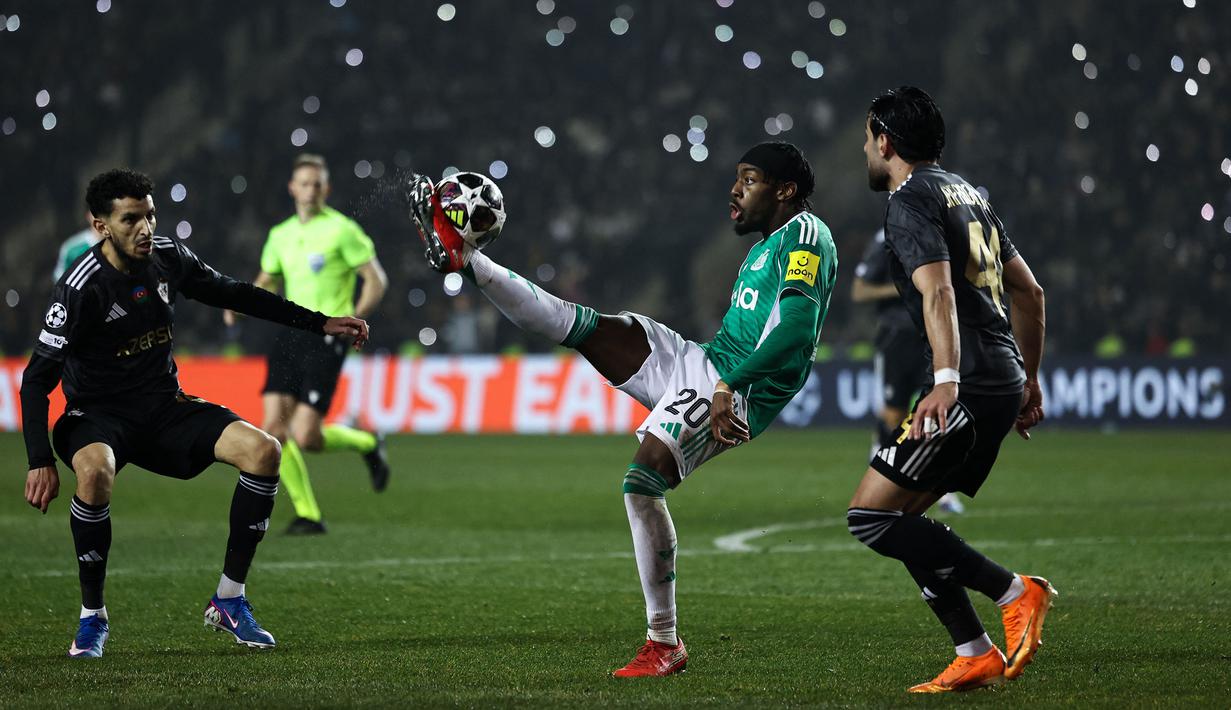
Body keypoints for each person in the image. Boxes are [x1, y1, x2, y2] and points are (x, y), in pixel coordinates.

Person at [406, 141, 838, 678]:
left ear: (785, 190)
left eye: (749, 180)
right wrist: (716, 372)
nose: (734, 189)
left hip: (738, 387)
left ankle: (665, 642)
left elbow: (796, 332)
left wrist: (729, 385)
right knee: (582, 324)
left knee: (642, 483)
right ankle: (467, 259)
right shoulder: (764, 247)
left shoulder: (804, 236)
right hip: (706, 363)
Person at [20, 169, 369, 658]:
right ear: (100, 226)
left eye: (150, 215)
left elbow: (232, 292)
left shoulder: (167, 257)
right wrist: (40, 459)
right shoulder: (80, 288)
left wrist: (318, 323)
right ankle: (92, 618)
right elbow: (36, 379)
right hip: (97, 415)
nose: (145, 228)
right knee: (95, 472)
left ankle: (229, 599)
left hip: (165, 406)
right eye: (130, 220)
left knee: (264, 451)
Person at [850, 86, 1051, 693]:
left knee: (870, 516)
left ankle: (1015, 591)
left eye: (867, 138)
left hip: (966, 384)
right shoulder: (967, 194)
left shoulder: (910, 201)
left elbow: (937, 290)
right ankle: (974, 652)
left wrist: (945, 381)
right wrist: (1029, 379)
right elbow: (1030, 294)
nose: (865, 149)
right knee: (905, 512)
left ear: (885, 142)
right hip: (999, 377)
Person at [224, 154, 390, 535]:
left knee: (307, 436)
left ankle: (367, 442)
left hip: (328, 335)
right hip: (289, 334)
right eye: (305, 183)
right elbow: (266, 280)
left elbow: (376, 280)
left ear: (326, 189)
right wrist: (237, 303)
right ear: (292, 188)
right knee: (272, 429)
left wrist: (353, 321)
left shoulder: (343, 230)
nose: (311, 189)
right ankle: (309, 515)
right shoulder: (280, 235)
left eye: (318, 184)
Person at [852, 229, 964, 514]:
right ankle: (881, 478)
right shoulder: (886, 239)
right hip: (896, 338)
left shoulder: (940, 236)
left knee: (938, 412)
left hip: (934, 334)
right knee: (893, 416)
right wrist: (903, 285)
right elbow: (859, 290)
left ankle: (941, 492)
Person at [53, 216, 101, 282]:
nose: (101, 217)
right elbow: (61, 282)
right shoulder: (72, 248)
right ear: (88, 215)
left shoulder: (118, 243)